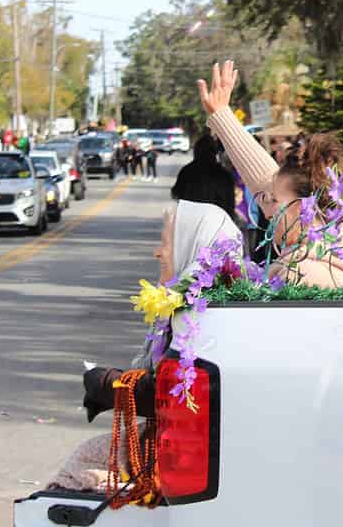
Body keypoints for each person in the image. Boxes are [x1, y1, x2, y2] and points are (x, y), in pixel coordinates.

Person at [53, 200, 243, 491]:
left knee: (80, 466)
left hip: (193, 454)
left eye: (166, 242)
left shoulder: (201, 315)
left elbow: (168, 393)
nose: (157, 251)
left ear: (189, 246)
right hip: (189, 442)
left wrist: (106, 383)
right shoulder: (206, 301)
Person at [200, 61, 343, 287]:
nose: (267, 208)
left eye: (274, 200)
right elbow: (266, 179)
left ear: (306, 207)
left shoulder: (299, 273)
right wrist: (222, 116)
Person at [173, 135, 236, 217]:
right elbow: (230, 204)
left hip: (192, 219)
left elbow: (176, 193)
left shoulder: (187, 171)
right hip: (217, 221)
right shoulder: (223, 174)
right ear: (214, 153)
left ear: (196, 151)